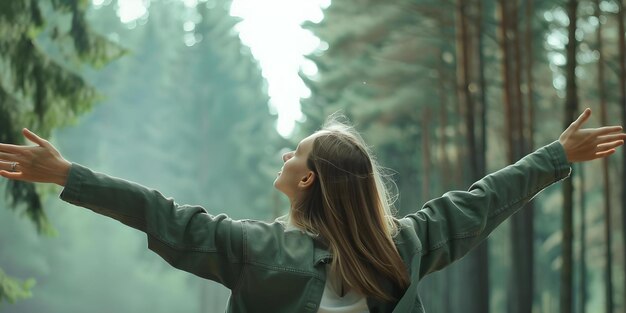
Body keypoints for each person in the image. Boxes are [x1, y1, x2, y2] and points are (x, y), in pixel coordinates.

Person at [0, 108, 624, 313]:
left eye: (294, 150)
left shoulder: (261, 252)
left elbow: (159, 213)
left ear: (307, 179)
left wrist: (67, 175)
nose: (283, 151)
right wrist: (554, 155)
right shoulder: (403, 248)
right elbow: (487, 198)